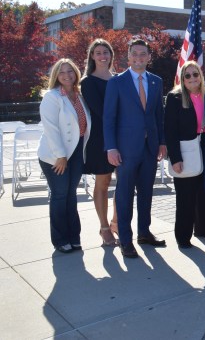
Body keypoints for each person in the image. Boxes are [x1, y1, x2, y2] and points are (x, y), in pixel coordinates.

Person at [104, 38, 167, 259]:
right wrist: (111, 147)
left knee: (147, 193)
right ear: (128, 57)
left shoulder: (156, 82)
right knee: (124, 194)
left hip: (150, 148)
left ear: (149, 57)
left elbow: (159, 114)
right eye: (135, 54)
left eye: (143, 54)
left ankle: (144, 232)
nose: (139, 58)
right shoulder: (116, 82)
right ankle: (125, 239)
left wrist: (162, 142)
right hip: (125, 150)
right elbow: (109, 118)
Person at [38, 58, 91, 253]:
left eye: (70, 71)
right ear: (56, 76)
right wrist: (61, 156)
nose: (67, 75)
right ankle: (60, 240)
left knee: (71, 195)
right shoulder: (52, 97)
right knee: (60, 195)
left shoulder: (79, 95)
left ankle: (74, 237)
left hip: (76, 151)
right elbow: (51, 129)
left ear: (76, 73)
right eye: (62, 72)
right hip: (55, 154)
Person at [165, 61, 205, 249]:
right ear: (182, 78)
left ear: (200, 76)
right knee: (185, 196)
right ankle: (183, 236)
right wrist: (175, 158)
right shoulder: (174, 97)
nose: (192, 78)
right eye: (187, 75)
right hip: (185, 149)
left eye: (195, 74)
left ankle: (203, 228)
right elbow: (169, 131)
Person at [81, 39, 119, 246]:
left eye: (106, 52)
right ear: (92, 56)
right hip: (101, 138)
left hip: (123, 137)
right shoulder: (88, 82)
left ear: (111, 55)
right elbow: (102, 112)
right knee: (103, 183)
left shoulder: (120, 79)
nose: (103, 55)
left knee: (124, 184)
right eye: (98, 52)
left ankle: (116, 222)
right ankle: (104, 227)